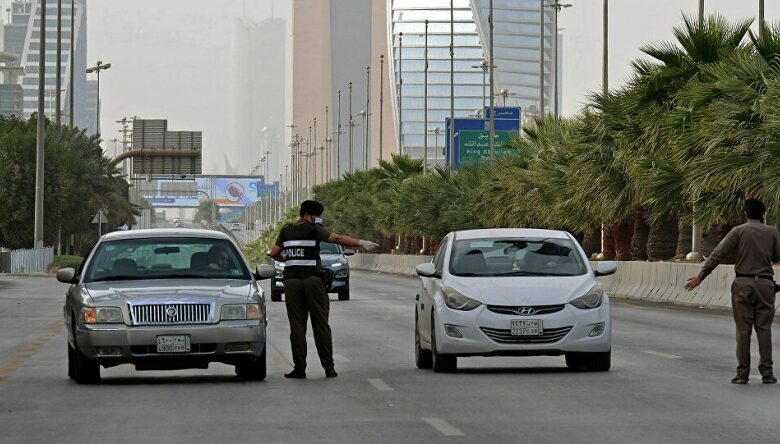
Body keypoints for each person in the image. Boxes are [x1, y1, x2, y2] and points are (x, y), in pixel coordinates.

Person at [269, 200, 379, 379]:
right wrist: (361, 242)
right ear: (309, 215)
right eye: (316, 216)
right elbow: (336, 239)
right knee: (320, 324)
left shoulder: (286, 230)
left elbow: (274, 253)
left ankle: (299, 368)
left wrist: (286, 259)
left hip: (292, 283)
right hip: (312, 280)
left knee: (297, 326)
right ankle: (329, 368)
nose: (317, 219)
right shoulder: (314, 229)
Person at [685, 198, 779, 384]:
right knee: (764, 329)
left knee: (743, 330)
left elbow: (717, 254)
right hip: (765, 285)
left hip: (743, 284)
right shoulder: (772, 232)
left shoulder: (738, 231)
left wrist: (701, 276)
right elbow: (777, 257)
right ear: (763, 214)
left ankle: (742, 373)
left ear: (745, 213)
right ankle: (767, 372)